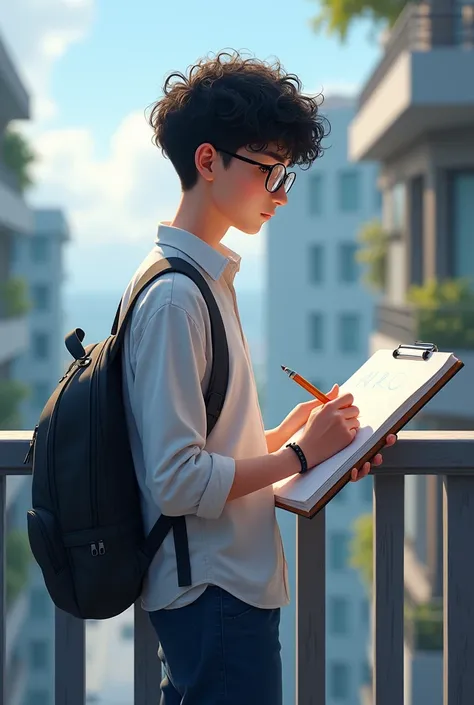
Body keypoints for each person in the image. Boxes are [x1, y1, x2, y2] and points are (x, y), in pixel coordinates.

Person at [119, 50, 396, 705]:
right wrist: (302, 454)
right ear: (207, 161)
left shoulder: (199, 282)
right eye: (269, 171)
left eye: (286, 174)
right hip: (212, 595)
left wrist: (282, 437)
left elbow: (199, 452)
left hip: (222, 590)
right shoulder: (176, 297)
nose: (279, 193)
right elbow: (179, 477)